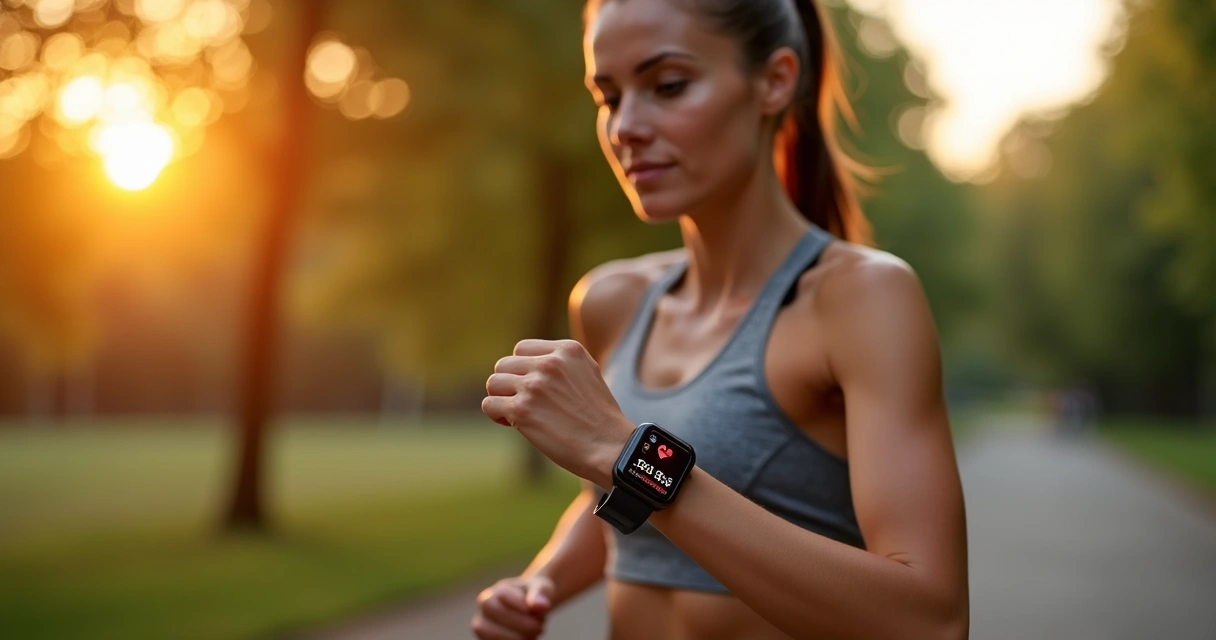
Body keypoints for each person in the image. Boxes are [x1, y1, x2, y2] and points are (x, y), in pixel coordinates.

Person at [473, 0, 969, 638]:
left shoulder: (862, 298)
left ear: (775, 81)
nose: (625, 126)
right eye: (609, 96)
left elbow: (928, 619)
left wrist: (631, 456)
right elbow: (613, 505)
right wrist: (541, 580)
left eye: (668, 86)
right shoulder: (611, 299)